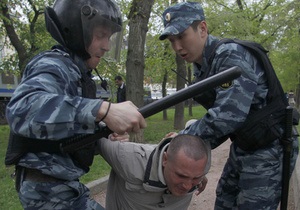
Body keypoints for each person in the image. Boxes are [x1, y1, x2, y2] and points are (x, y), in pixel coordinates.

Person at [4, 0, 146, 209]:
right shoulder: (53, 64)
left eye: (109, 37)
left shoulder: (78, 74)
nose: (107, 46)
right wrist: (102, 110)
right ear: (77, 31)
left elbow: (62, 129)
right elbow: (21, 110)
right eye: (100, 35)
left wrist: (102, 132)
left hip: (64, 189)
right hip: (47, 193)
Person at [159, 2, 299, 210]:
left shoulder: (230, 55)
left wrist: (182, 138)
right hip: (244, 145)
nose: (177, 47)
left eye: (181, 36)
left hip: (269, 149)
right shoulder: (204, 67)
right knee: (224, 201)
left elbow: (227, 116)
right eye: (172, 40)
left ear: (203, 29)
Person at [97, 133, 210, 210]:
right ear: (165, 159)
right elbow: (92, 138)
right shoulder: (128, 158)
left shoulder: (199, 168)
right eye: (181, 176)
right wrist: (112, 132)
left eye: (195, 178)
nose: (187, 186)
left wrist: (200, 178)